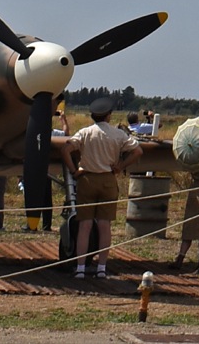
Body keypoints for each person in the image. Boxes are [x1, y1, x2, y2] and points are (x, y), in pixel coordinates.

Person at [67, 102, 132, 280]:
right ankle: (101, 268)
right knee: (105, 226)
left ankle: (80, 267)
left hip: (87, 178)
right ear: (108, 115)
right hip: (108, 180)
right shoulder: (118, 134)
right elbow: (138, 150)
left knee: (84, 225)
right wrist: (120, 166)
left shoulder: (85, 132)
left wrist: (74, 171)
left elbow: (66, 149)